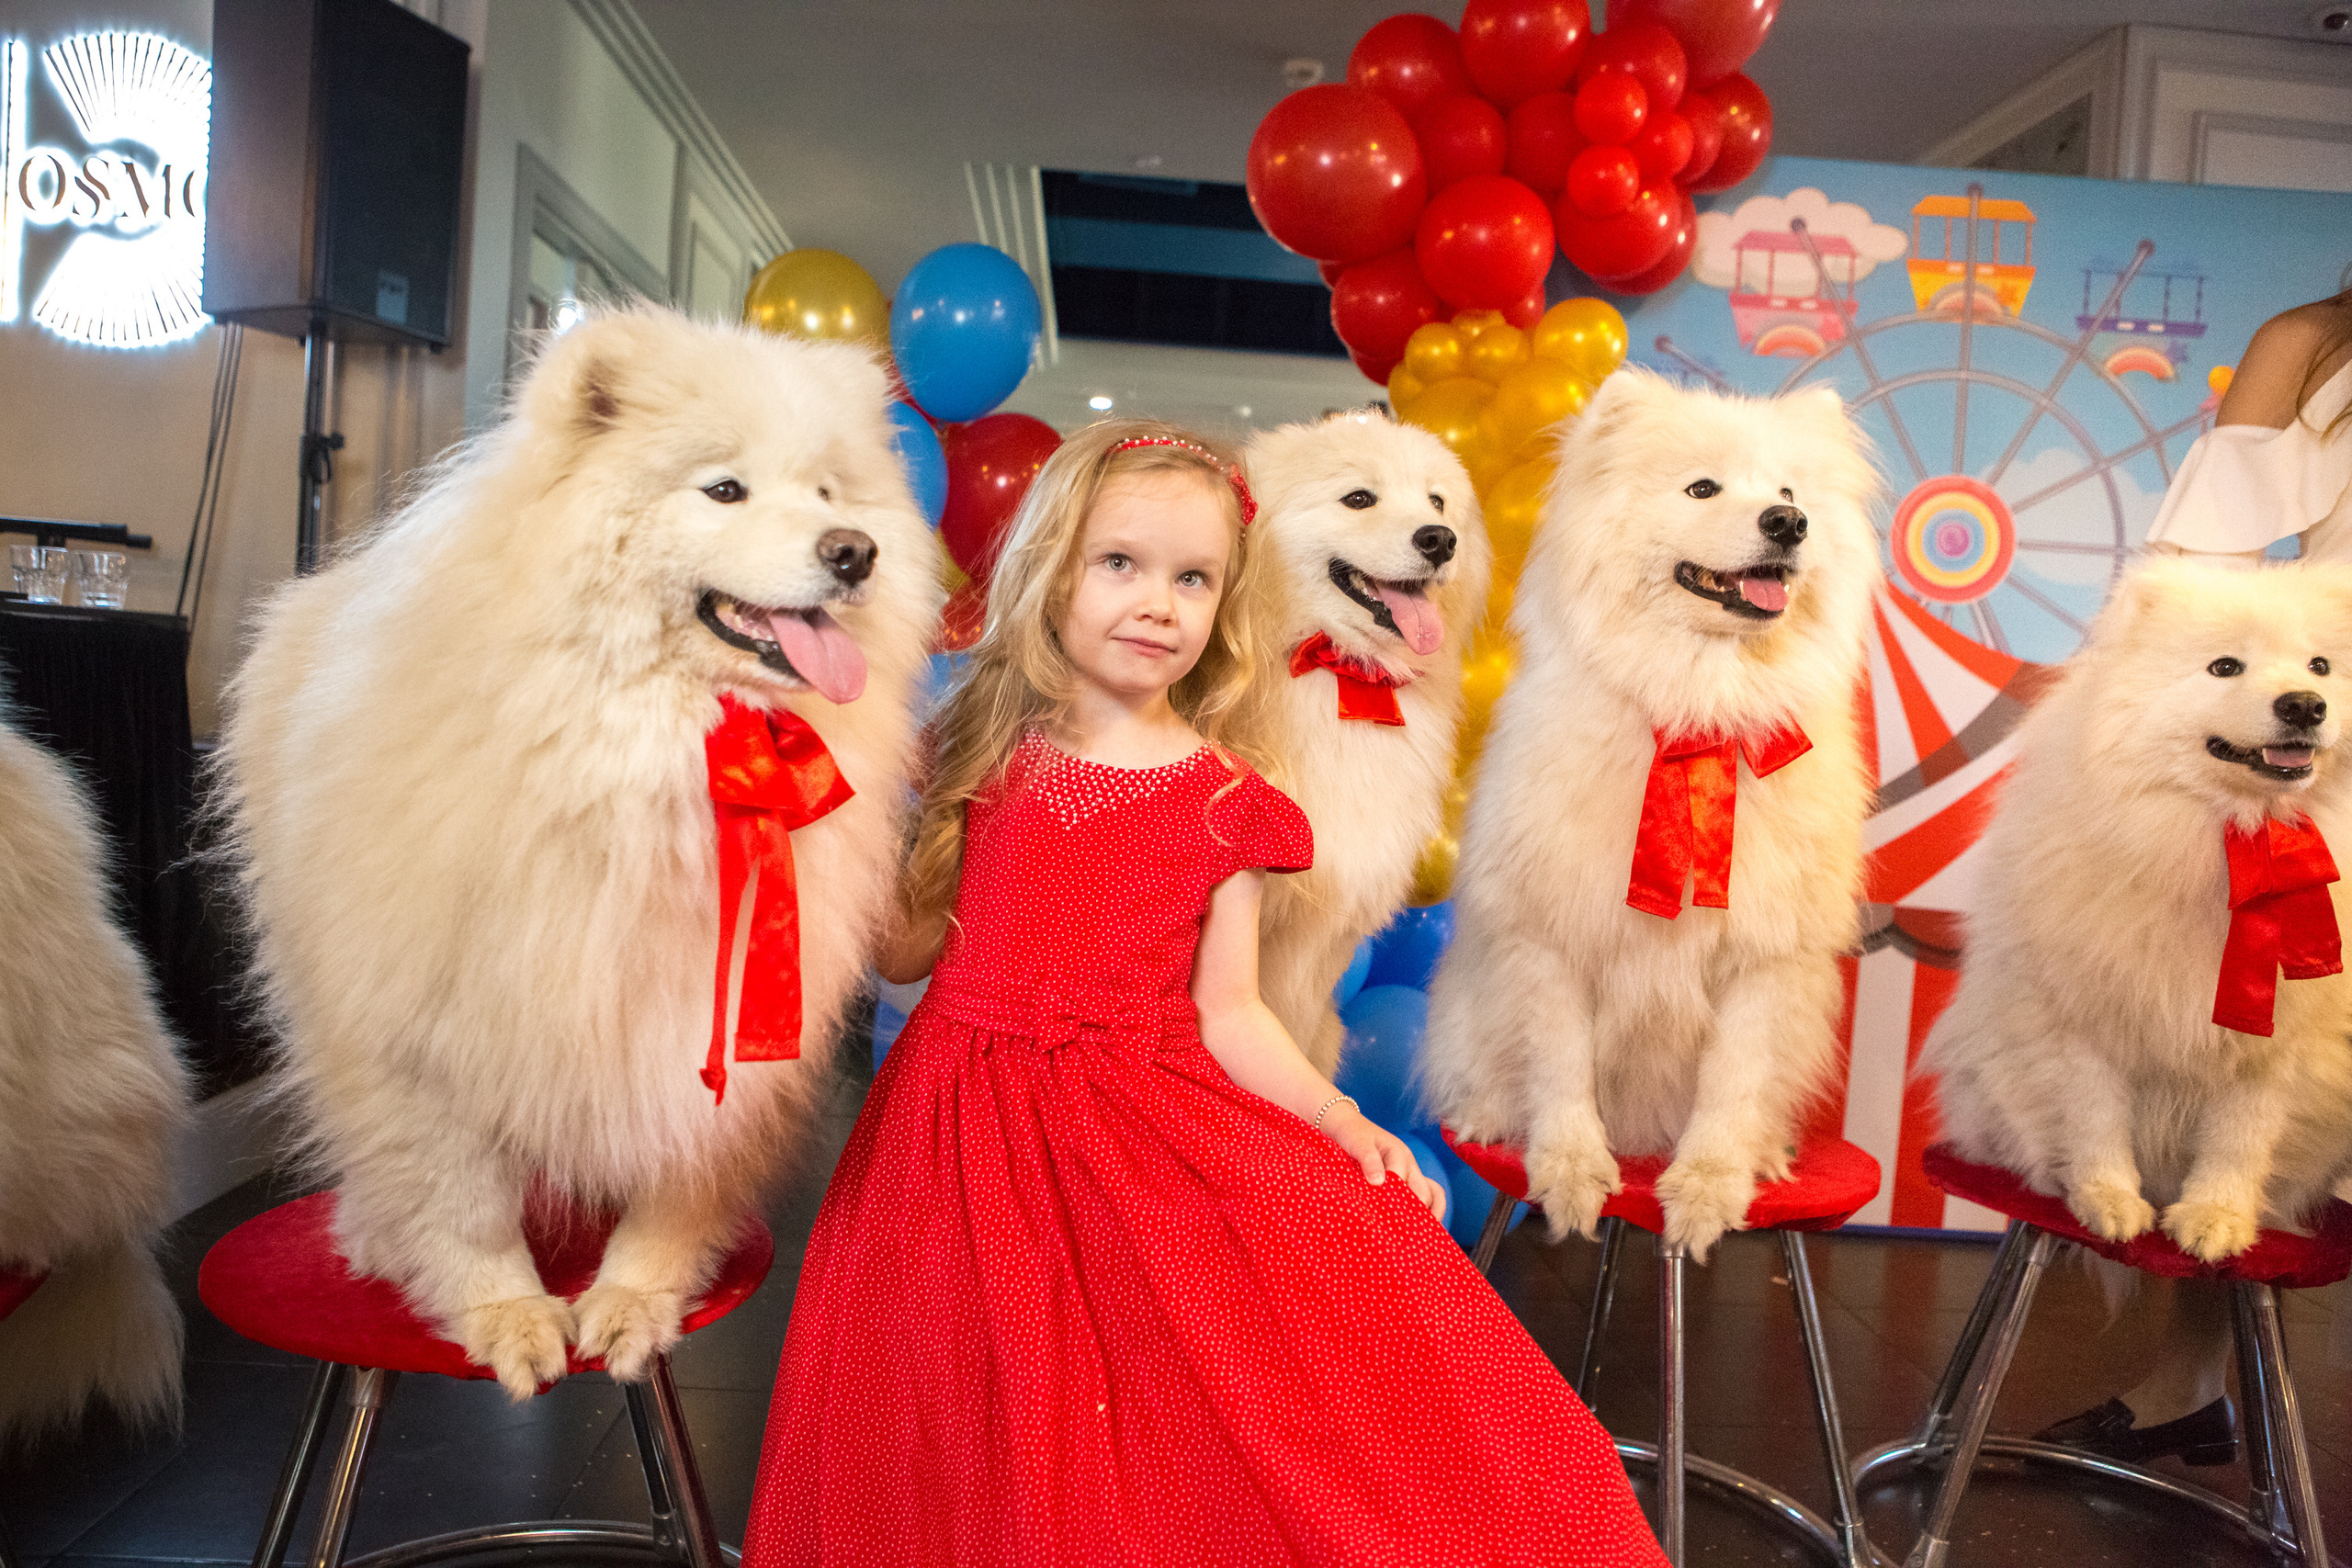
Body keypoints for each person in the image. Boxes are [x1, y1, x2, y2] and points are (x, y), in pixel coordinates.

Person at [741, 419, 1666, 1566]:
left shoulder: (1229, 793)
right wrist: (842, 825)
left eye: (1194, 579)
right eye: (1119, 564)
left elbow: (1228, 1010)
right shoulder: (973, 749)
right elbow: (898, 956)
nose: (1157, 603)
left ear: (1229, 600)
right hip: (957, 1130)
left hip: (1140, 1110)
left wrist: (1336, 1118)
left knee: (1176, 1392)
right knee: (970, 1406)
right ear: (1051, 568)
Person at [2040, 276, 2352, 1466]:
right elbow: (2187, 588)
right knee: (2252, 1050)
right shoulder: (2315, 347)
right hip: (2312, 758)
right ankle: (2188, 1377)